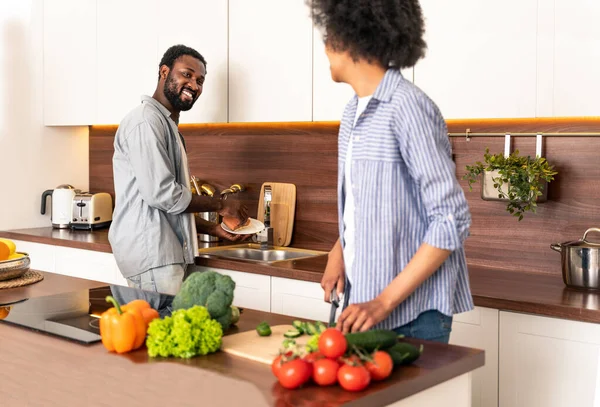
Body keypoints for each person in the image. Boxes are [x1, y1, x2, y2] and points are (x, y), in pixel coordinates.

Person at [309, 0, 473, 343]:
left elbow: (451, 218)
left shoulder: (407, 107)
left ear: (351, 36)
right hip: (363, 304)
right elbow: (369, 201)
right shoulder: (353, 112)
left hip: (411, 315)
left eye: (329, 34)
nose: (324, 47)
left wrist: (383, 302)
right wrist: (339, 250)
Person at [108, 44, 248, 306]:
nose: (194, 85)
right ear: (164, 72)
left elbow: (164, 206)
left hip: (161, 254)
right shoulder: (145, 122)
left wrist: (211, 228)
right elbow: (163, 195)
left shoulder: (164, 124)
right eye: (187, 74)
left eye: (200, 80)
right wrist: (222, 203)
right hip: (151, 256)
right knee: (160, 335)